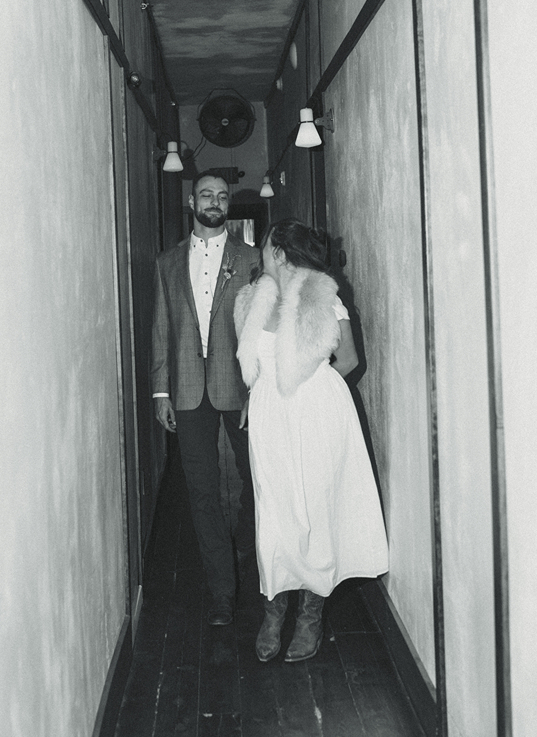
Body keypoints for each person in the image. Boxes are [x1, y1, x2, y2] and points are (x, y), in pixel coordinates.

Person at [234, 218, 389, 662]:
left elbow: (350, 360)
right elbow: (260, 367)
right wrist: (259, 396)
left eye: (266, 247)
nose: (262, 254)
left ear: (280, 253)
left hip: (318, 417)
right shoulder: (253, 300)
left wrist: (307, 390)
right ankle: (273, 610)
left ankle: (311, 616)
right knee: (274, 509)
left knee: (315, 508)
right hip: (269, 421)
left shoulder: (324, 298)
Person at [151, 171, 260, 626]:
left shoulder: (252, 259)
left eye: (221, 196)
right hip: (188, 390)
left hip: (241, 388)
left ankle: (255, 573)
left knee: (257, 484)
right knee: (200, 492)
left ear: (227, 204)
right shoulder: (167, 263)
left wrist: (261, 389)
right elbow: (161, 329)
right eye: (205, 195)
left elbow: (264, 327)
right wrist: (161, 389)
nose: (213, 202)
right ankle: (221, 593)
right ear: (191, 201)